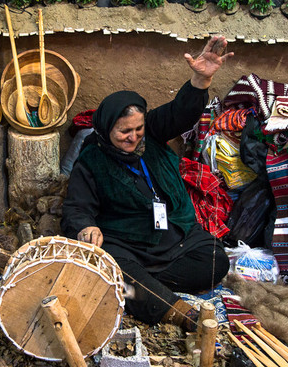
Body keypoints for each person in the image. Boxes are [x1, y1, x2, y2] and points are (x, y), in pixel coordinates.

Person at [61, 36, 233, 332]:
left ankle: (142, 287)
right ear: (105, 128)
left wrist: (200, 79)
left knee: (216, 262)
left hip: (174, 237)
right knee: (114, 269)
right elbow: (77, 208)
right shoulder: (91, 161)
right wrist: (86, 227)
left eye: (138, 129)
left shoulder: (152, 132)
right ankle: (171, 309)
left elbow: (180, 111)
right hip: (128, 244)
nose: (133, 137)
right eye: (124, 131)